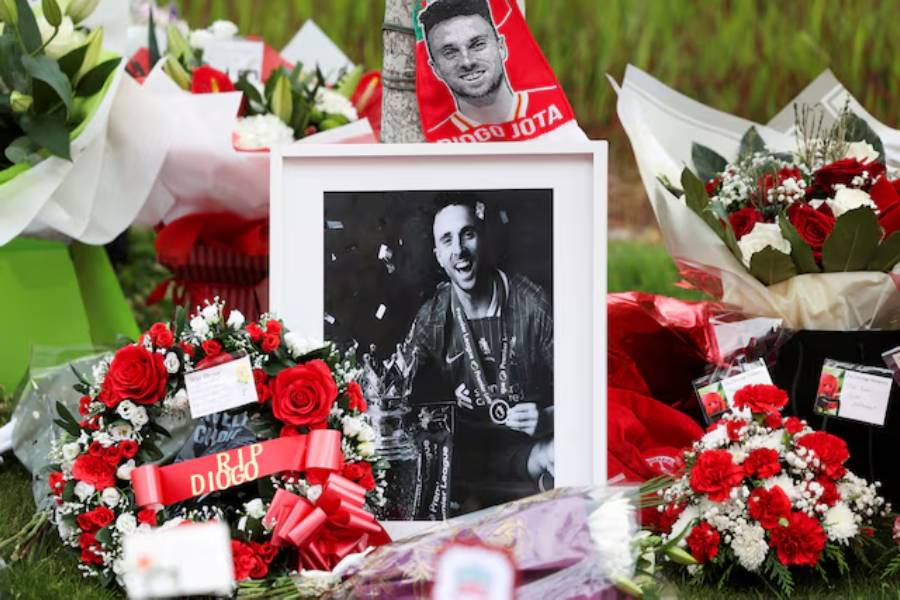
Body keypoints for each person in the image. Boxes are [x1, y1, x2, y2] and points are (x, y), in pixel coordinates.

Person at [404, 192, 554, 514]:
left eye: (467, 234)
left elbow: (588, 395)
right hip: (462, 462)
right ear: (438, 256)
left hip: (528, 453)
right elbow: (400, 394)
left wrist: (546, 418)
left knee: (564, 451)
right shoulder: (432, 317)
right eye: (447, 241)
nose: (458, 250)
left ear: (483, 239)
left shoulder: (534, 306)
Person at [418, 0, 567, 140]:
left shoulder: (553, 117)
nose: (467, 62)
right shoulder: (434, 138)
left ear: (501, 47)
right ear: (435, 68)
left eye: (478, 45)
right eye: (450, 53)